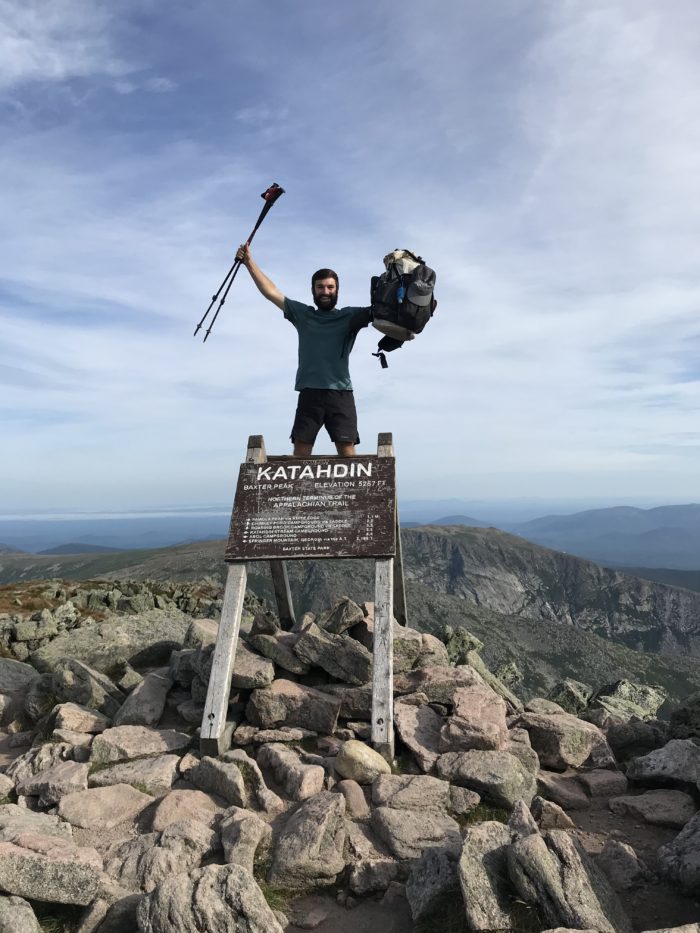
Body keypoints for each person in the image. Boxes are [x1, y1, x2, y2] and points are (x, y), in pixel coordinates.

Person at [235, 244, 371, 457]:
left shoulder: (350, 316)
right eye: (320, 287)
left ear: (337, 290)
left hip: (341, 393)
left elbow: (384, 313)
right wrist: (249, 262)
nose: (325, 291)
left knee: (347, 452)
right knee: (300, 453)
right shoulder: (304, 315)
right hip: (309, 392)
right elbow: (271, 292)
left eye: (330, 287)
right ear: (313, 290)